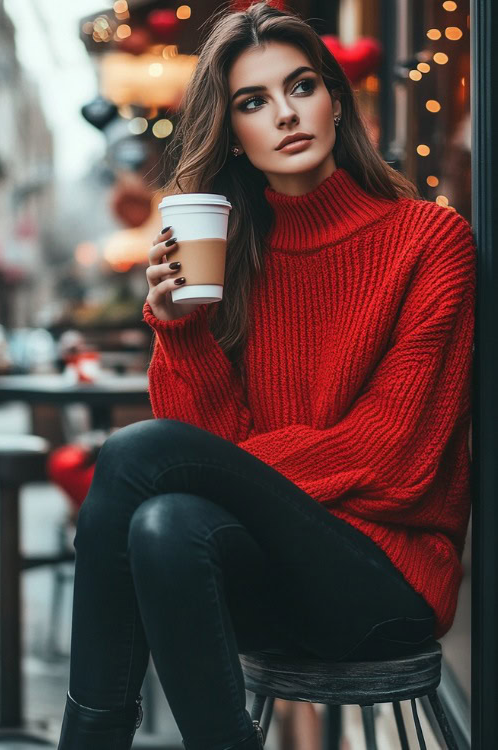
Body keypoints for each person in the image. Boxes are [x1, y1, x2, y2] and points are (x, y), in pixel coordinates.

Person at [56, 2, 476, 749]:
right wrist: (181, 330)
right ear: (236, 136)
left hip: (387, 579)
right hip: (270, 573)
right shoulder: (229, 259)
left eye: (301, 86)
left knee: (140, 456)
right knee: (162, 522)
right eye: (254, 102)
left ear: (336, 101)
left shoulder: (430, 241)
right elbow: (206, 446)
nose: (284, 114)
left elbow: (391, 456)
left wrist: (210, 470)